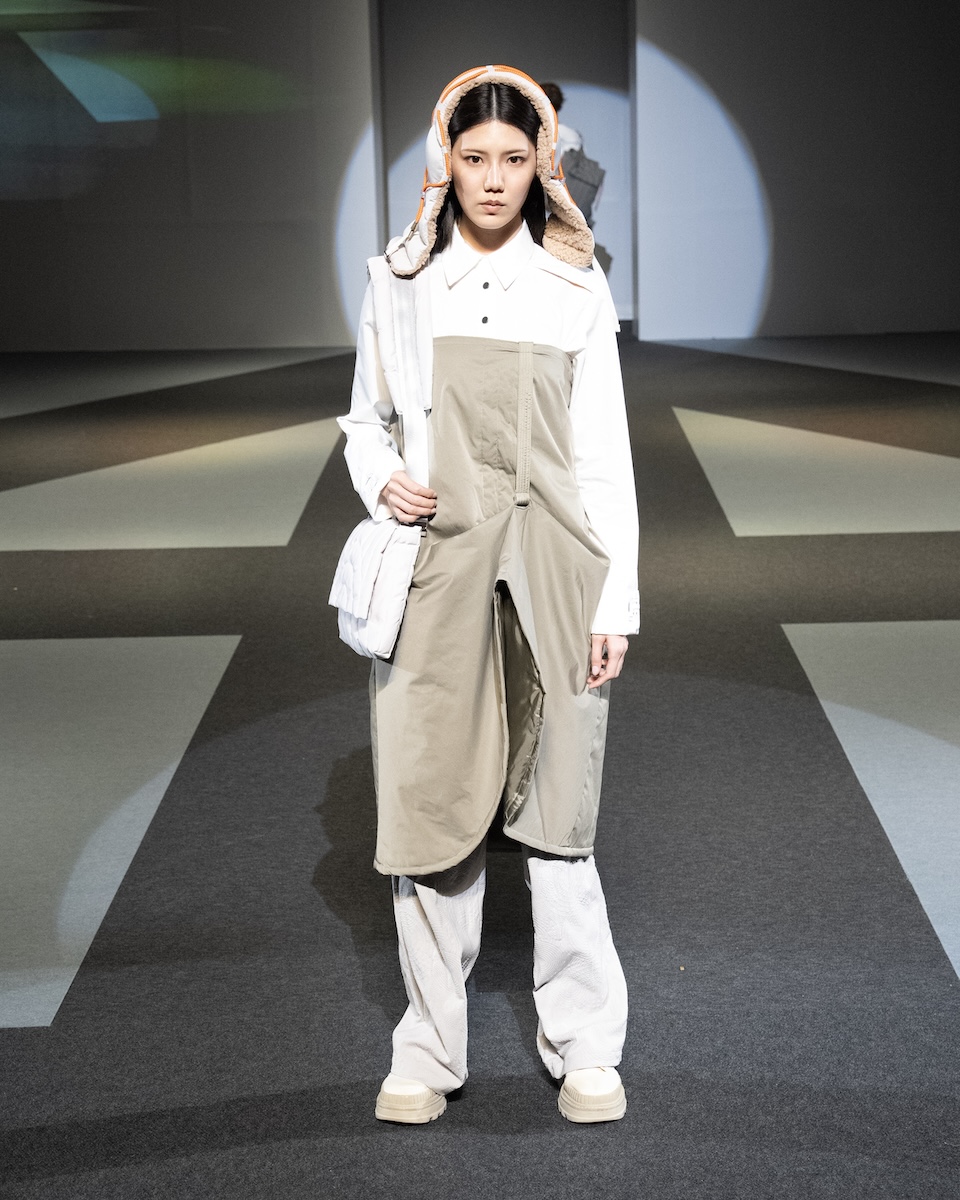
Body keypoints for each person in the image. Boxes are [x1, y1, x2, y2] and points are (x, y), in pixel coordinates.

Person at [338, 65, 639, 1126]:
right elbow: (363, 419)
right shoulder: (400, 281)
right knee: (431, 801)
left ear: (542, 163)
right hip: (438, 561)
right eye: (475, 158)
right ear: (446, 161)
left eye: (515, 158)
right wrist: (383, 476)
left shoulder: (574, 285)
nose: (496, 179)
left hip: (557, 560)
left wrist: (616, 602)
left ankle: (586, 1045)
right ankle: (427, 1049)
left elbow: (604, 458)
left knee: (560, 808)